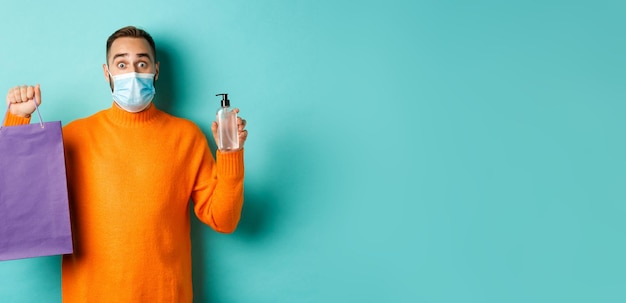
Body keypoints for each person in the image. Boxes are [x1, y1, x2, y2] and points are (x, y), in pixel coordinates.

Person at [3, 26, 247, 302]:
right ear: (107, 73)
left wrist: (230, 153)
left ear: (155, 70)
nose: (132, 72)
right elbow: (22, 207)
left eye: (141, 63)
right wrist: (17, 120)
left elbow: (224, 220)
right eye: (121, 64)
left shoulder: (186, 136)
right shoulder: (73, 137)